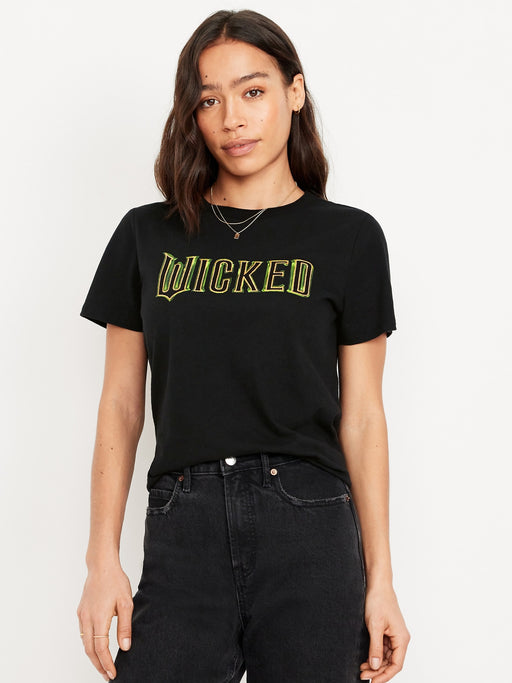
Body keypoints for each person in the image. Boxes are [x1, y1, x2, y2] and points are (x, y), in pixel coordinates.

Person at [76, 8, 410, 683]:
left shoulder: (349, 238)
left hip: (311, 526)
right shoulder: (147, 235)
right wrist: (101, 559)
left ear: (295, 91)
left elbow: (364, 416)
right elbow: (120, 405)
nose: (232, 118)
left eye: (253, 91)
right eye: (209, 100)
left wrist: (381, 581)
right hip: (184, 523)